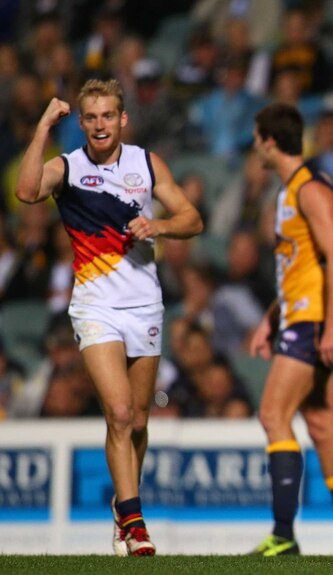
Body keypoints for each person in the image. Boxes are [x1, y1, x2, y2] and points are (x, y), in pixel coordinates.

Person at [15, 79, 203, 556]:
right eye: (91, 117)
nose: (100, 125)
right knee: (118, 412)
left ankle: (124, 510)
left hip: (145, 303)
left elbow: (193, 219)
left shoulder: (146, 163)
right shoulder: (69, 167)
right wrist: (41, 128)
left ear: (123, 119)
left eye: (108, 116)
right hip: (95, 306)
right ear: (81, 123)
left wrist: (158, 224)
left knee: (138, 420)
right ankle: (136, 525)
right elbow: (26, 190)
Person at [248, 103, 333, 557]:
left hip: (315, 320)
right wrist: (270, 316)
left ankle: (283, 535)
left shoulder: (311, 189)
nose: (255, 146)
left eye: (256, 138)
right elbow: (304, 266)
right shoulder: (290, 192)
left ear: (268, 139)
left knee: (273, 416)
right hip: (303, 314)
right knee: (322, 429)